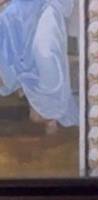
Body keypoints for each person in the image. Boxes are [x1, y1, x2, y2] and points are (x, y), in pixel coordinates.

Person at [0, 0, 79, 132]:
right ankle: (43, 105)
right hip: (18, 11)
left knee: (45, 51)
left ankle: (52, 107)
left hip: (48, 5)